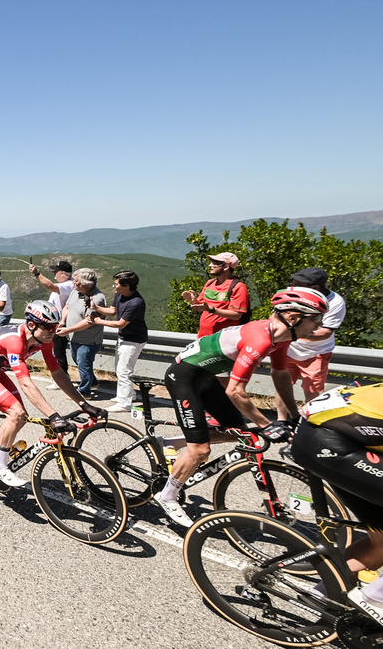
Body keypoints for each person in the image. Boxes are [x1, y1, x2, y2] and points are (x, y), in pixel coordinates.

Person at [156, 287, 328, 527]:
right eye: (316, 319)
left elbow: (280, 376)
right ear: (293, 318)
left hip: (206, 378)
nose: (319, 327)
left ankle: (171, 443)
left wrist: (293, 416)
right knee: (200, 450)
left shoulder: (281, 339)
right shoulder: (261, 339)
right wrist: (267, 426)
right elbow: (235, 391)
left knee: (239, 431)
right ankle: (167, 496)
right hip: (184, 377)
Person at [0, 301, 103, 487]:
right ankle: (0, 467)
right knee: (16, 413)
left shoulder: (44, 341)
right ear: (32, 325)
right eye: (49, 327)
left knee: (21, 417)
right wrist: (53, 416)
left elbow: (57, 374)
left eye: (56, 326)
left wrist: (84, 404)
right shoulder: (14, 341)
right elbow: (25, 383)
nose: (53, 331)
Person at [289, 383, 383, 622]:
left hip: (340, 430)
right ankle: (374, 601)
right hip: (329, 439)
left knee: (381, 541)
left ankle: (322, 595)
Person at [284, 267, 347, 402]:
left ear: (315, 287)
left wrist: (291, 333)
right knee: (283, 387)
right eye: (293, 283)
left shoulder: (335, 302)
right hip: (288, 349)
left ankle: (309, 421)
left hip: (316, 352)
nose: (293, 288)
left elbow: (325, 333)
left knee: (311, 391)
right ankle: (282, 420)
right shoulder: (291, 295)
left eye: (298, 285)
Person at [88, 271, 148, 412]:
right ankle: (129, 395)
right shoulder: (120, 295)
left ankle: (124, 404)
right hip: (124, 338)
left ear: (126, 286)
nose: (113, 286)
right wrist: (95, 308)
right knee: (120, 369)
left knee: (124, 371)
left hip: (134, 340)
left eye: (116, 284)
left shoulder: (136, 302)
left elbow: (121, 323)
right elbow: (112, 311)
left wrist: (98, 321)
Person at [55, 268, 107, 397]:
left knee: (84, 364)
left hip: (88, 339)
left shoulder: (97, 298)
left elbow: (89, 322)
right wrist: (63, 321)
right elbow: (67, 306)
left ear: (85, 283)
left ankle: (84, 392)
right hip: (74, 337)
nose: (73, 283)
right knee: (79, 361)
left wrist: (68, 329)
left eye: (76, 281)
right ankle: (92, 381)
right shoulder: (76, 291)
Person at [181, 252, 249, 338]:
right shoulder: (210, 283)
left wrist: (212, 310)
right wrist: (194, 301)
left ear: (226, 267)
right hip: (203, 336)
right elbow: (203, 306)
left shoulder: (238, 287)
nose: (210, 265)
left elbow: (236, 315)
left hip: (223, 340)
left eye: (215, 262)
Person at [29, 260, 74, 385]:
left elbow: (49, 286)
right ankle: (63, 378)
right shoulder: (67, 285)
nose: (54, 274)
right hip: (57, 322)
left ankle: (63, 379)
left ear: (62, 273)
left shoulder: (68, 285)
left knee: (58, 352)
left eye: (56, 272)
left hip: (60, 323)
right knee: (57, 351)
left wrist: (37, 274)